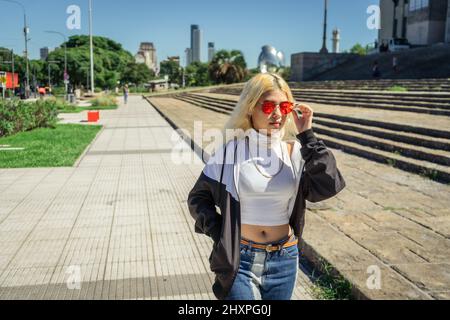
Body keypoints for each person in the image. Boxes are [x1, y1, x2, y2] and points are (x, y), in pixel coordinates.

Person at [188, 73, 346, 300]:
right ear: (250, 107)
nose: (278, 114)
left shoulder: (295, 153)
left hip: (285, 258)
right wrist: (220, 232)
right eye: (269, 105)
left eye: (285, 106)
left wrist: (307, 136)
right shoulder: (230, 152)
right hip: (239, 259)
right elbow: (198, 198)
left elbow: (328, 185)